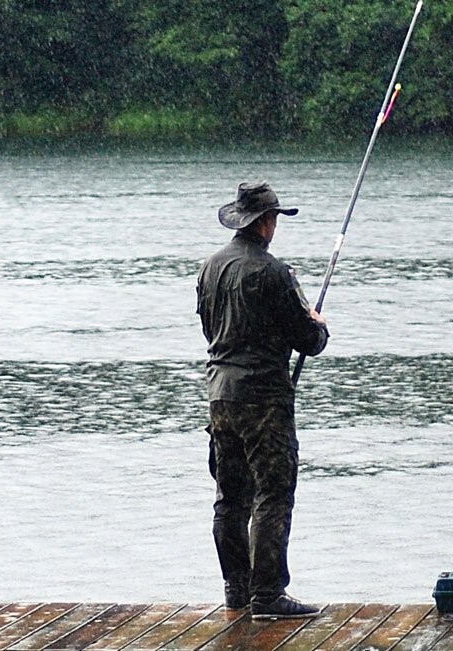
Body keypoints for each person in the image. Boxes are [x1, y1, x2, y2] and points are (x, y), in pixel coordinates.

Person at [196, 181, 330, 620]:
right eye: (275, 218)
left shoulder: (209, 268)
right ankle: (268, 595)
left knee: (230, 495)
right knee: (273, 492)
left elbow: (211, 332)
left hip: (219, 395)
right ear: (266, 223)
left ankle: (237, 588)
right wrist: (317, 324)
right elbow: (308, 340)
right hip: (264, 401)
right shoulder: (274, 273)